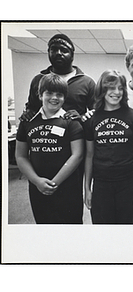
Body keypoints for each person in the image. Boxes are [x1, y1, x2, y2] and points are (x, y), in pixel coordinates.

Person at [15, 74, 84, 224]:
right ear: (40, 95)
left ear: (64, 97)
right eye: (49, 93)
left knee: (71, 228)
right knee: (44, 227)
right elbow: (20, 156)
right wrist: (37, 181)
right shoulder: (27, 121)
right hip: (37, 186)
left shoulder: (71, 122)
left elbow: (77, 155)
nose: (54, 98)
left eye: (59, 94)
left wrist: (55, 182)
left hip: (67, 186)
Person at [84, 70, 133, 224]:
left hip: (128, 184)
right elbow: (89, 155)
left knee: (125, 228)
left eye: (120, 88)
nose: (116, 92)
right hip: (101, 184)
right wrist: (87, 189)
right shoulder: (92, 119)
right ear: (102, 90)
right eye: (111, 88)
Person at [19, 33, 95, 122]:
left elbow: (96, 113)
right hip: (44, 133)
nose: (58, 53)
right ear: (48, 53)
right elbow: (32, 108)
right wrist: (28, 113)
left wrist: (81, 117)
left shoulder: (87, 82)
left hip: (76, 133)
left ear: (72, 56)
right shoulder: (38, 80)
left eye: (64, 50)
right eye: (54, 50)